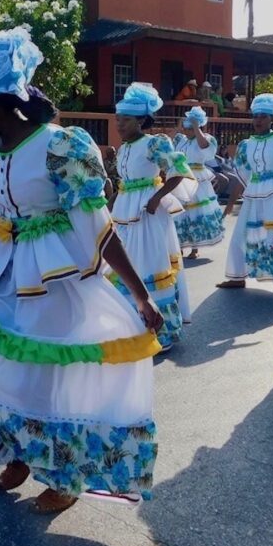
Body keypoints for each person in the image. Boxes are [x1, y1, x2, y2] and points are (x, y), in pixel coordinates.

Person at [0, 28, 163, 514]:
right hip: (4, 271)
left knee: (45, 381)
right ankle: (18, 450)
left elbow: (100, 229)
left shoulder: (61, 147)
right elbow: (0, 215)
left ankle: (65, 477)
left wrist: (140, 295)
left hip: (56, 281)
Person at [111, 83, 193, 350]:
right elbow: (123, 183)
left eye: (125, 120)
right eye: (118, 119)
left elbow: (179, 169)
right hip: (125, 210)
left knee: (149, 265)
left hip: (147, 213)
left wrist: (157, 197)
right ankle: (133, 329)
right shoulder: (122, 148)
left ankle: (162, 333)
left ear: (141, 120)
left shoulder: (155, 143)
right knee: (126, 264)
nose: (119, 124)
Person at [218, 93, 273, 296]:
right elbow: (243, 176)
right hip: (254, 194)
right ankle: (238, 276)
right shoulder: (246, 145)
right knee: (242, 235)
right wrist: (230, 203)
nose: (258, 120)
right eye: (256, 116)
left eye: (263, 116)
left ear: (272, 118)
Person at [172, 106, 225, 259]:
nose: (186, 131)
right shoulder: (181, 140)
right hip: (180, 177)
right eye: (186, 128)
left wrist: (196, 128)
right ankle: (179, 246)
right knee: (179, 212)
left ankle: (194, 248)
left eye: (189, 128)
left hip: (197, 178)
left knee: (195, 211)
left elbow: (205, 148)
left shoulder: (205, 138)